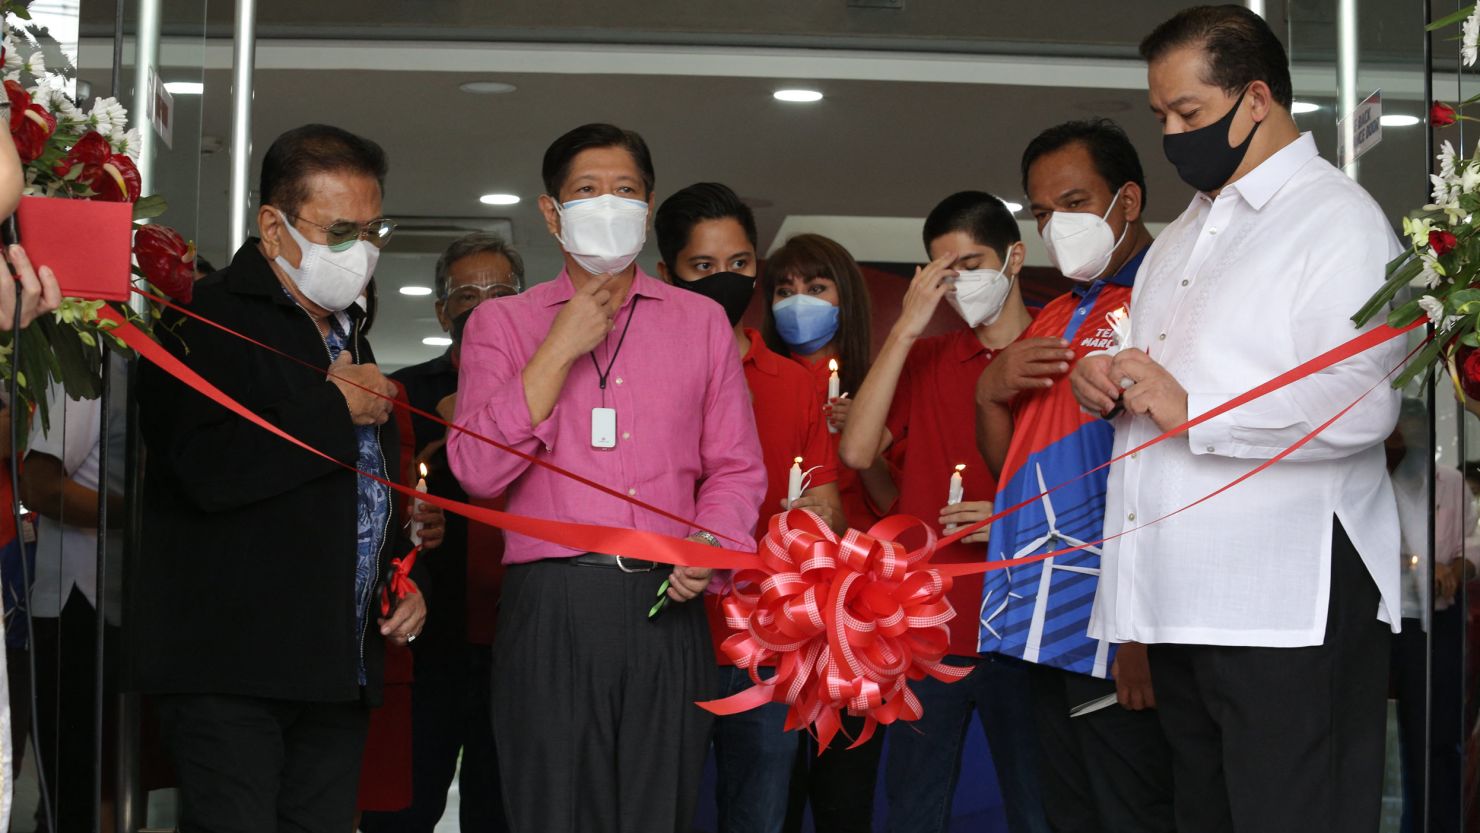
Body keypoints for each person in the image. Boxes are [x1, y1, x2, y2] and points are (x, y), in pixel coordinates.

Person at [1070, 7, 1404, 832]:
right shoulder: (1182, 235)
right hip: (1184, 598)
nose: (1173, 134)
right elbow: (1160, 387)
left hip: (1284, 598)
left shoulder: (1337, 219)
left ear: (1256, 99)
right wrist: (1110, 382)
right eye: (1161, 117)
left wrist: (1195, 408)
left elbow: (1363, 399)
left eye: (1189, 113)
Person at [448, 123, 766, 833]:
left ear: (649, 206)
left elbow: (736, 465)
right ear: (551, 212)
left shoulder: (701, 323)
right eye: (587, 191)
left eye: (625, 190)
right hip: (551, 603)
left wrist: (707, 544)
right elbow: (476, 470)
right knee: (553, 809)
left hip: (666, 601)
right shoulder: (502, 325)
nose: (609, 204)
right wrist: (555, 351)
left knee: (659, 809)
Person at [133, 123, 431, 832]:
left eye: (373, 228)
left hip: (335, 666)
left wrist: (397, 573)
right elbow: (207, 470)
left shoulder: (346, 331)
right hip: (235, 670)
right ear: (273, 225)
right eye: (341, 230)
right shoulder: (201, 319)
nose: (362, 250)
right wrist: (335, 407)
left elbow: (351, 494)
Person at [976, 119, 1173, 833]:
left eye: (1075, 201)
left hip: (1114, 626)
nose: (1058, 225)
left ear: (1126, 199)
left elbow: (1173, 468)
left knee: (1132, 810)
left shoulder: (1164, 294)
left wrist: (1141, 631)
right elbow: (1015, 471)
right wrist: (989, 389)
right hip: (1037, 617)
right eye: (1041, 211)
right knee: (1068, 814)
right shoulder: (1058, 310)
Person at [839, 196, 1049, 833]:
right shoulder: (926, 358)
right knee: (913, 810)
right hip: (931, 631)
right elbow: (855, 449)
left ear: (1015, 257)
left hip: (1032, 623)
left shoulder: (1056, 347)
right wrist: (906, 326)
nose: (961, 282)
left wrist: (1014, 519)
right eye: (943, 270)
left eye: (973, 263)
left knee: (1041, 810)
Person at [655, 182, 844, 833]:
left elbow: (828, 506)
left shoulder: (794, 382)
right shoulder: (639, 374)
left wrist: (820, 515)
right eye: (702, 267)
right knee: (656, 805)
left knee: (762, 809)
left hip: (765, 640)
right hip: (663, 631)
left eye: (738, 265)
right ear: (666, 274)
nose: (725, 280)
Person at [363, 232, 523, 833]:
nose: (485, 306)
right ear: (442, 312)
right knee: (406, 806)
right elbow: (381, 504)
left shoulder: (553, 387)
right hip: (432, 637)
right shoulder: (407, 392)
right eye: (467, 295)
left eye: (503, 291)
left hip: (520, 637)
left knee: (501, 808)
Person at [756, 233, 892, 833]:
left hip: (858, 615)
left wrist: (867, 444)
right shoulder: (759, 381)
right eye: (784, 290)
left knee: (845, 791)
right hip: (776, 607)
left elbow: (901, 506)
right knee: (772, 784)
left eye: (815, 288)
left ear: (846, 299)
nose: (798, 303)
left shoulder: (883, 381)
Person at [20, 362, 125, 833]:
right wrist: (146, 514)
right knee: (79, 785)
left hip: (126, 601)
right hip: (78, 602)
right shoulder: (89, 370)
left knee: (115, 778)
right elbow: (39, 486)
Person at [1386, 398, 1472, 833]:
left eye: (1420, 423)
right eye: (1406, 424)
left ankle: (1436, 823)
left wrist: (1452, 570)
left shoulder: (1451, 482)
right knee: (1392, 735)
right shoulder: (1380, 481)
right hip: (1390, 621)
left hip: (1439, 620)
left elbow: (1471, 544)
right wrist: (1422, 565)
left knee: (1439, 734)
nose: (1413, 432)